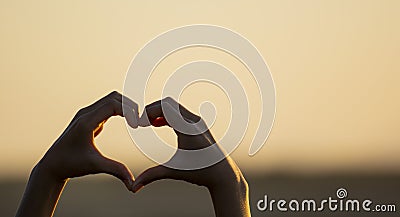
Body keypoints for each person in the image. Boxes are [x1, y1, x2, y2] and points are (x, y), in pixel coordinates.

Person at [15, 91, 251, 217]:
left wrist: (47, 176)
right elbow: (231, 183)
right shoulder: (228, 183)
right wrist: (230, 185)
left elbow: (49, 172)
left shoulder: (49, 174)